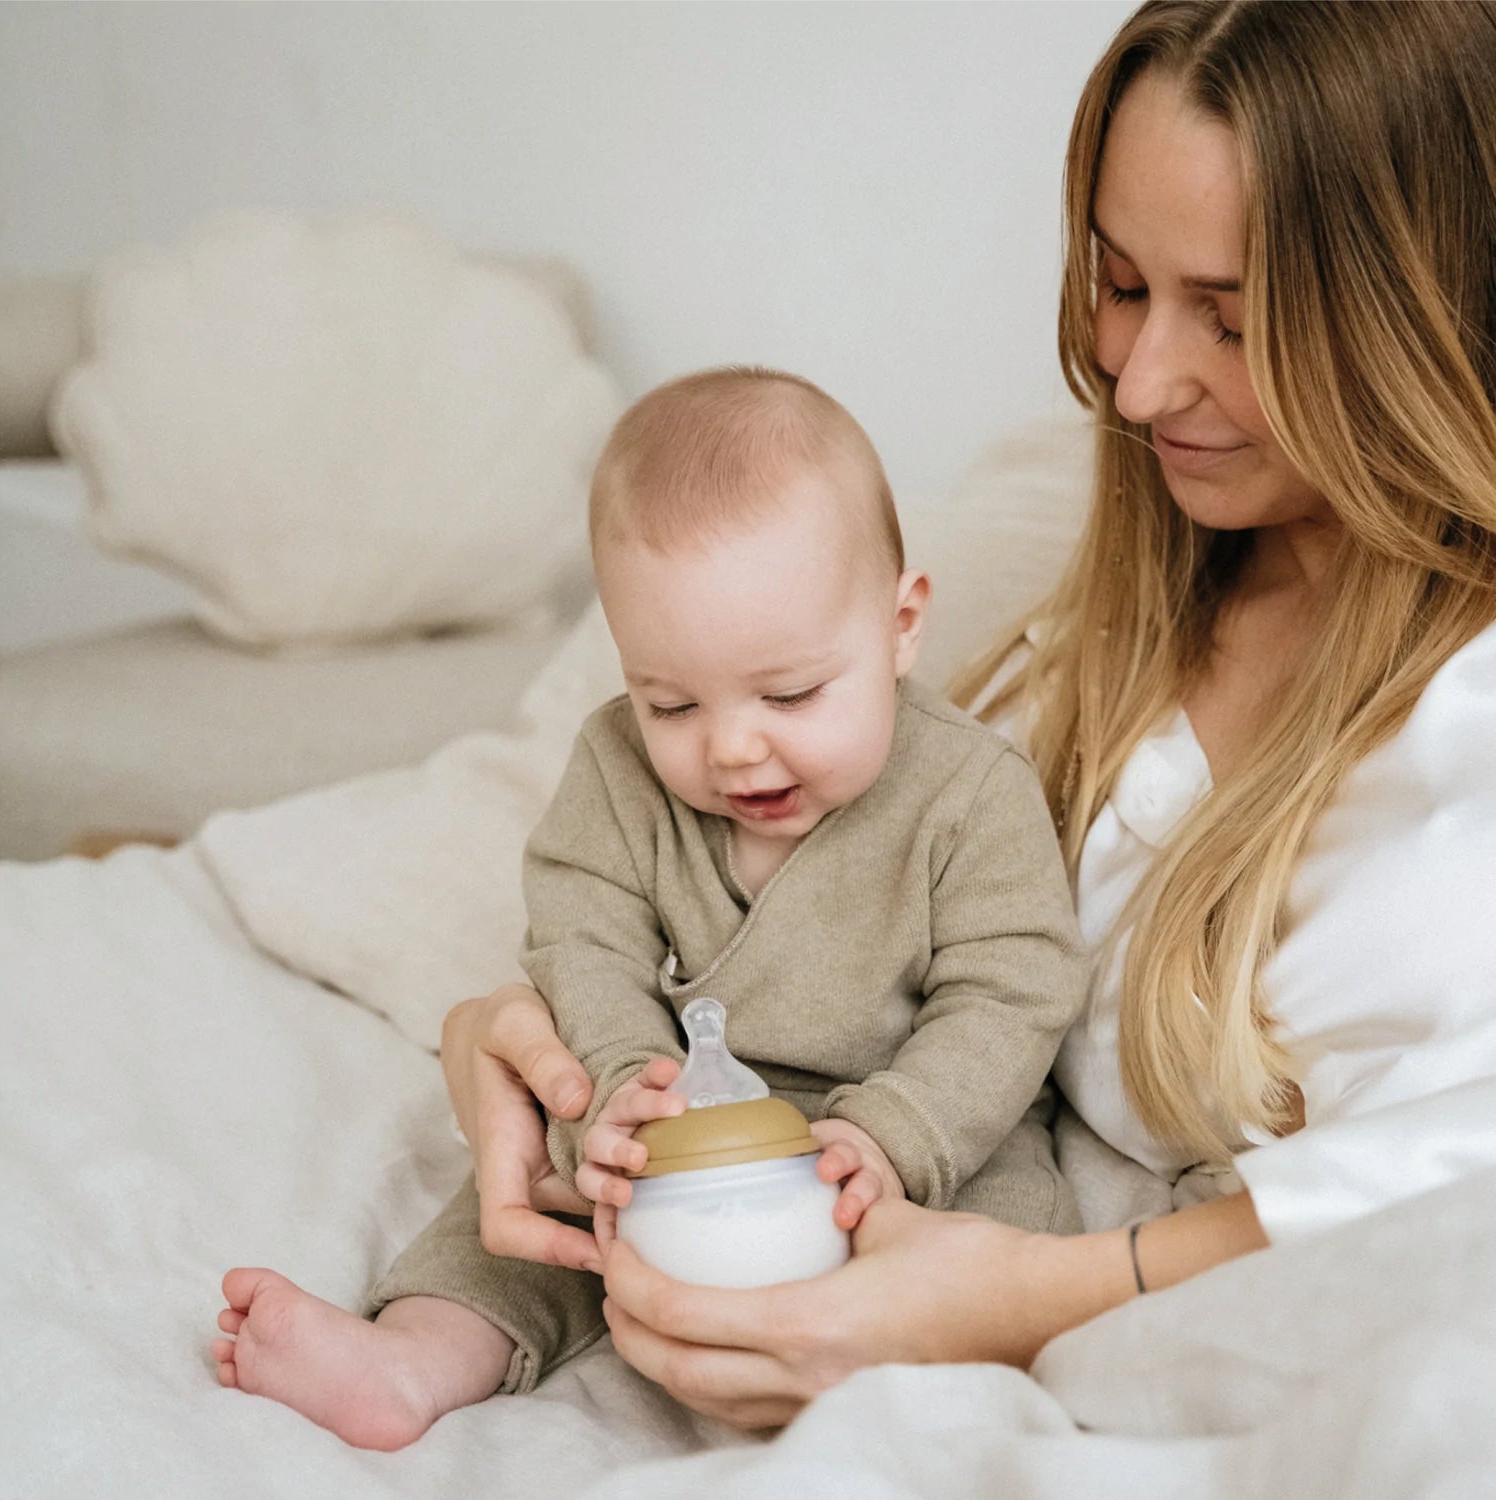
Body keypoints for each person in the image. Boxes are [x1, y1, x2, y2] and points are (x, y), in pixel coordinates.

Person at [420, 0, 1496, 1431]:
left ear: (1428, 308)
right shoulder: (1088, 639)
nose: (1139, 380)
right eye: (1119, 287)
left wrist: (1035, 1297)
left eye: (1233, 320)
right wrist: (507, 1031)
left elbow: (1452, 1167)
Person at [210, 367, 1090, 1447]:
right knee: (533, 1216)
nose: (731, 746)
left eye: (790, 694)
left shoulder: (971, 793)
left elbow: (1015, 991)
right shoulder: (617, 772)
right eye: (671, 701)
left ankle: (914, 1420)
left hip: (904, 1136)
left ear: (902, 624)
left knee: (998, 1242)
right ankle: (411, 1359)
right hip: (685, 1128)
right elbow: (582, 936)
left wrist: (899, 1133)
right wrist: (621, 1090)